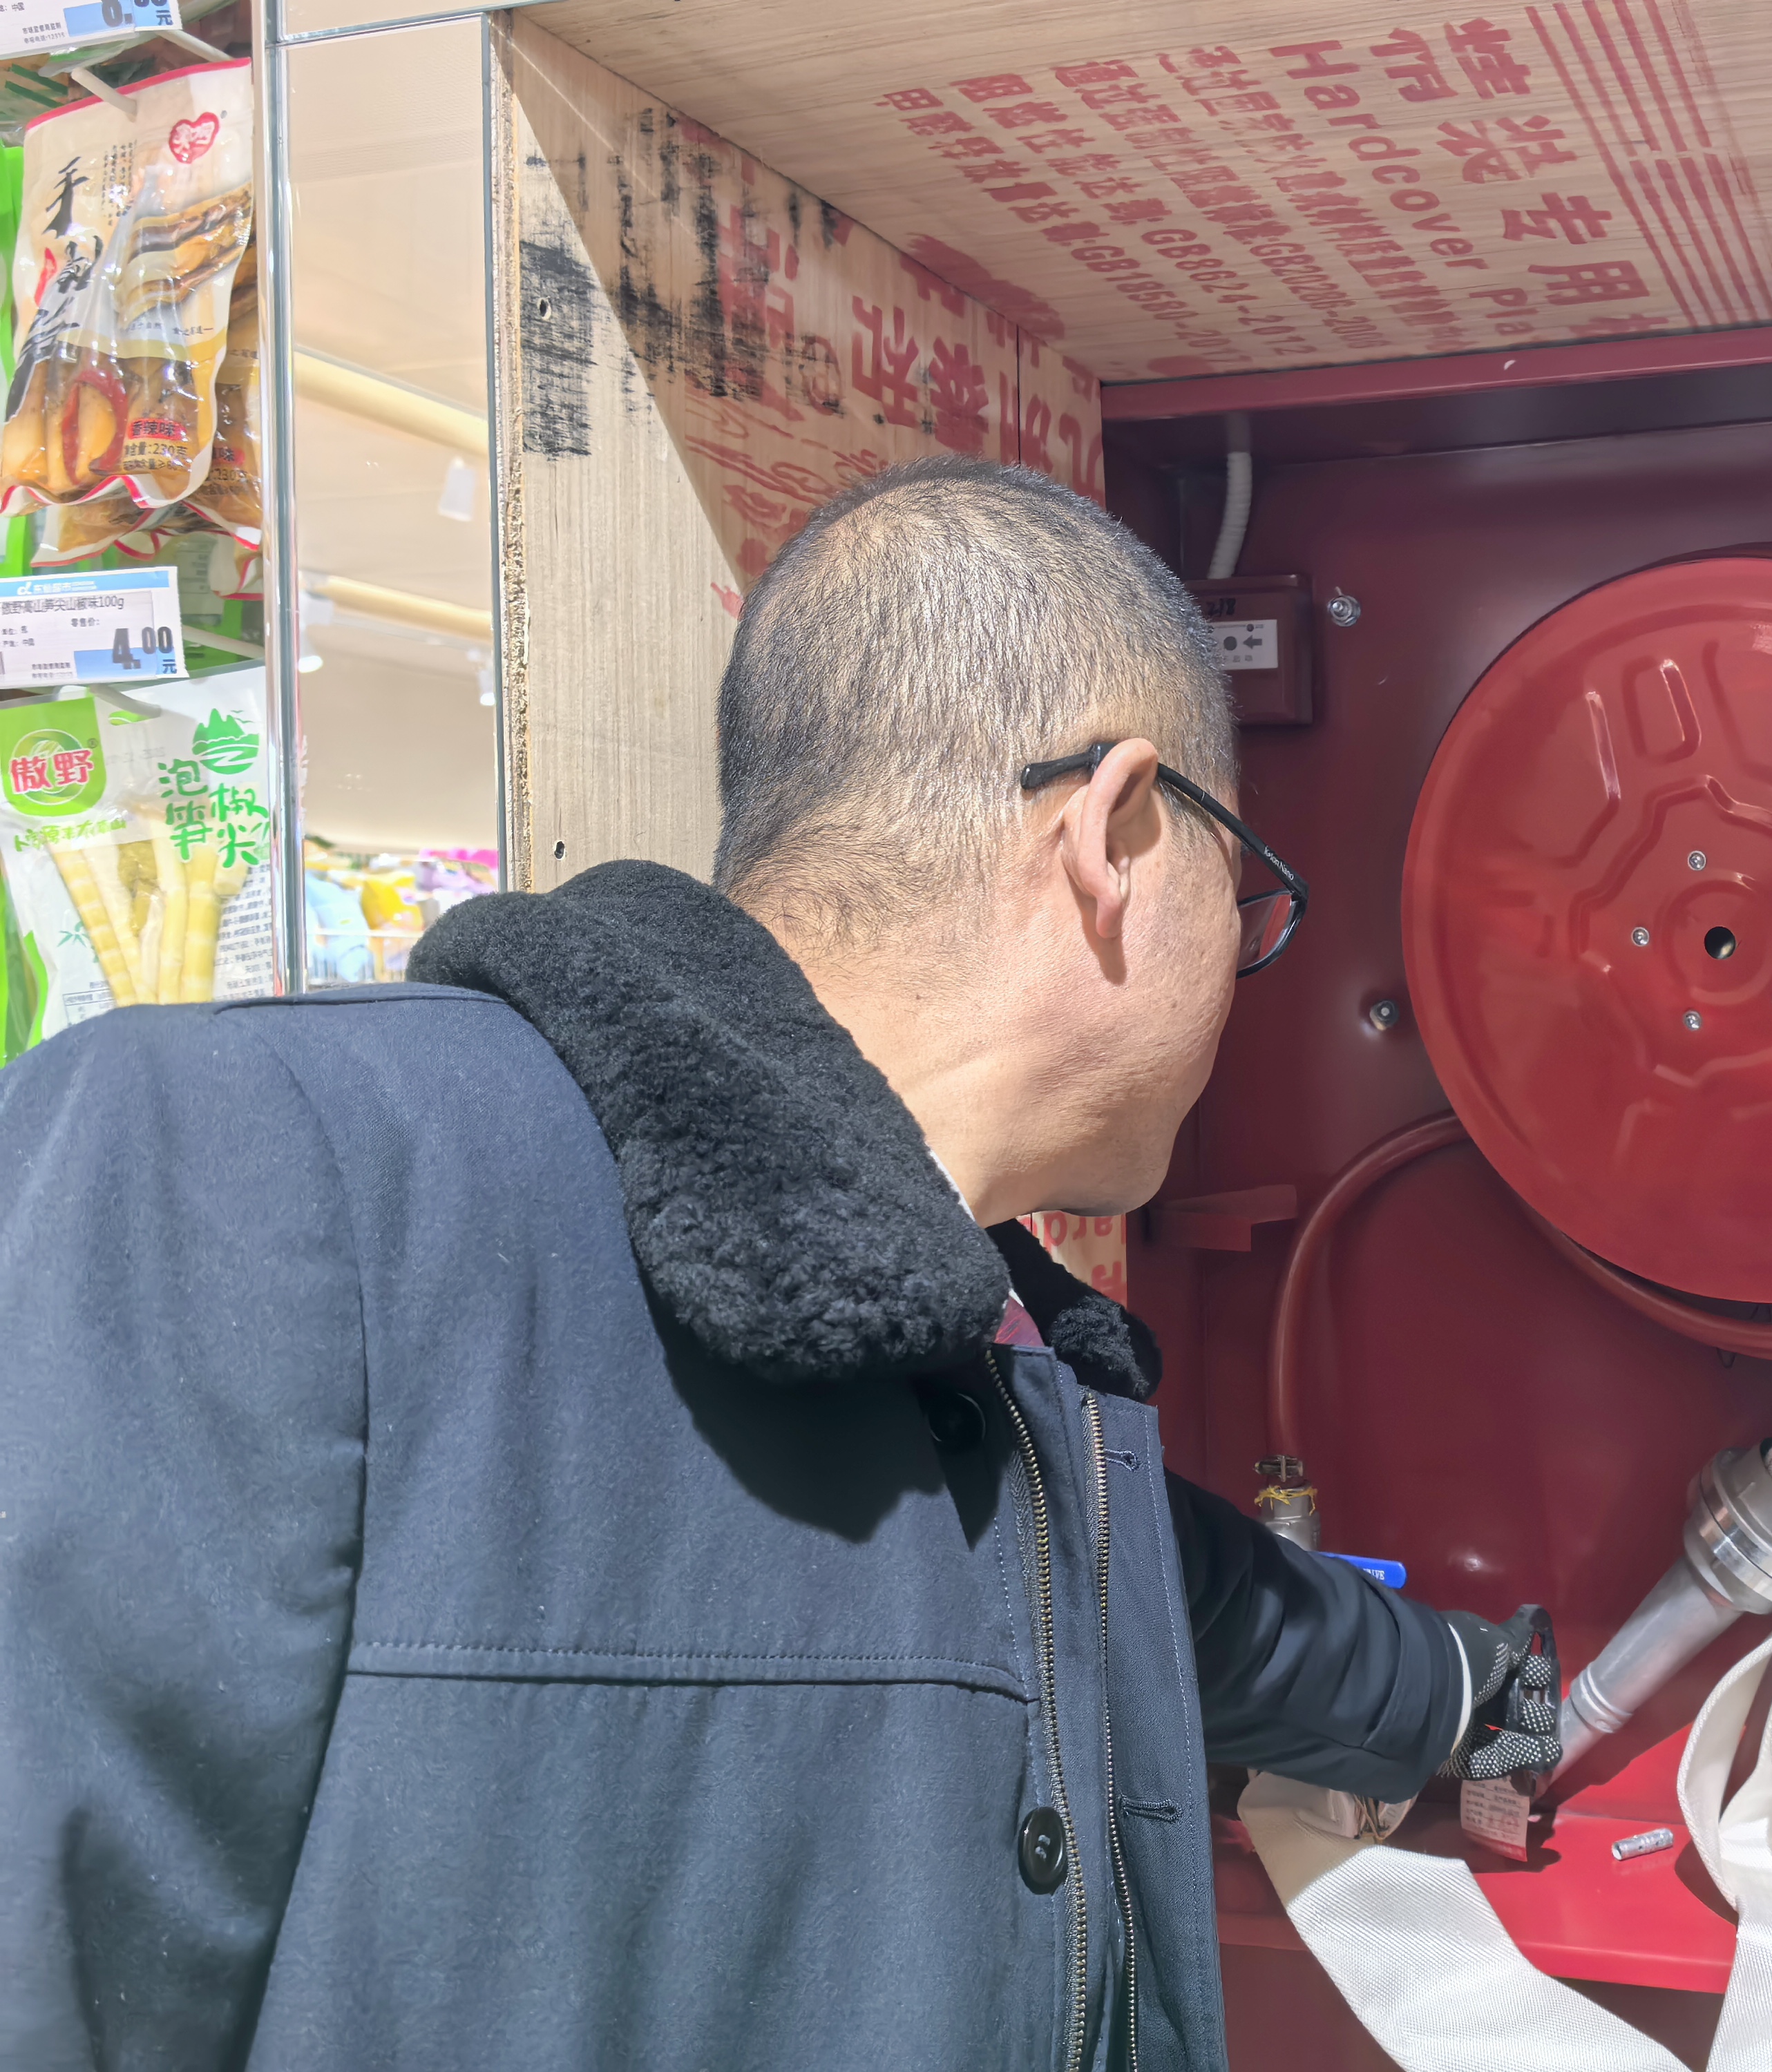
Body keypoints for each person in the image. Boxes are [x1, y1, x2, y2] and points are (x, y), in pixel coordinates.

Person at [0, 457, 1561, 2069]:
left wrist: (1495, 1697)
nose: (1236, 972)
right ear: (1115, 835)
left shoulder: (1008, 1375)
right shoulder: (233, 1158)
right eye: (1240, 901)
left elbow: (1230, 1619)